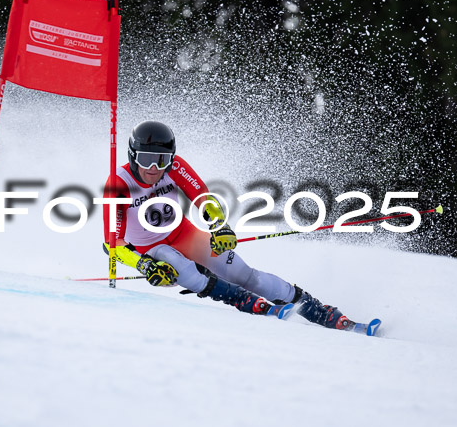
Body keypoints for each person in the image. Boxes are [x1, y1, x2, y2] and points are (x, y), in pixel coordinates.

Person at [102, 120, 356, 330]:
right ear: (133, 155)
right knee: (185, 271)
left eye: (162, 159)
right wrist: (143, 264)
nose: (154, 168)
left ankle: (318, 310)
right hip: (151, 249)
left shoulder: (174, 167)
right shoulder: (118, 185)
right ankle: (247, 302)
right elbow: (112, 244)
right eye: (146, 159)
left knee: (243, 273)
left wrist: (219, 226)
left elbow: (203, 197)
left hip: (182, 233)